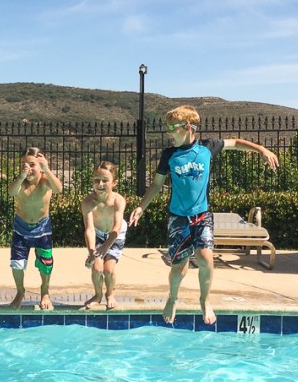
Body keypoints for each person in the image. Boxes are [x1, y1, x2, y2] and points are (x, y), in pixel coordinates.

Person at [129, 105, 279, 325]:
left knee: (206, 259)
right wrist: (141, 207)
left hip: (202, 216)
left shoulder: (207, 147)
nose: (169, 133)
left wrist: (262, 150)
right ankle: (173, 297)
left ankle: (205, 300)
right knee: (179, 267)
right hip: (178, 219)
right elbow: (157, 185)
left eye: (173, 128)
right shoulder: (169, 155)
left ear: (188, 127)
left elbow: (236, 143)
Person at [8, 147, 63, 310]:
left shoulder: (45, 181)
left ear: (41, 165)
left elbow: (58, 189)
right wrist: (21, 177)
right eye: (24, 165)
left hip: (42, 229)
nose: (28, 169)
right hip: (21, 228)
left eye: (32, 165)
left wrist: (47, 169)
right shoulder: (20, 182)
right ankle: (20, 291)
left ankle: (45, 291)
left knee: (46, 264)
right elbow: (11, 192)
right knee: (17, 263)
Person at [81, 161, 127, 310]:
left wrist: (106, 248)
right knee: (97, 268)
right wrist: (92, 252)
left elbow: (117, 228)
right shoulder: (88, 202)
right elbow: (89, 229)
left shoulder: (118, 201)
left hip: (116, 235)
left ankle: (110, 294)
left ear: (114, 182)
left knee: (109, 269)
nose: (100, 184)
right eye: (97, 180)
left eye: (105, 180)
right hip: (98, 233)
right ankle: (97, 295)